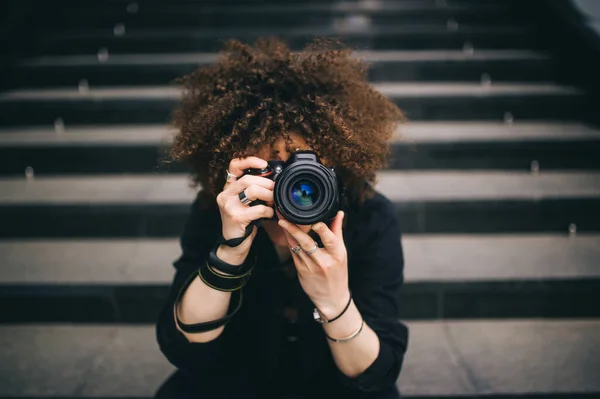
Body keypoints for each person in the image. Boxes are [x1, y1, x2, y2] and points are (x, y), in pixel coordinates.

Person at [155, 38, 408, 399]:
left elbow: (374, 373)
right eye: (273, 169)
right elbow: (182, 345)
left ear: (339, 159)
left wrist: (335, 300)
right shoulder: (221, 210)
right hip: (237, 379)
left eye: (309, 169)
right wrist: (230, 251)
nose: (295, 186)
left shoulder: (368, 216)